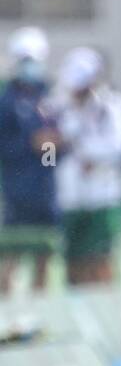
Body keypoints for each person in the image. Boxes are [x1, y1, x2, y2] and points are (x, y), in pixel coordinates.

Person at [53, 47, 121, 287]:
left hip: (102, 194)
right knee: (73, 257)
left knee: (100, 255)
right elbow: (56, 141)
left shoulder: (112, 105)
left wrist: (89, 153)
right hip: (71, 196)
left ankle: (104, 303)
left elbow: (120, 146)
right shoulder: (60, 106)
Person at [0, 27, 59, 296]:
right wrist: (29, 144)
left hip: (46, 191)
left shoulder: (49, 99)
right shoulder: (8, 102)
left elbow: (61, 143)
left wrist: (56, 143)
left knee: (44, 255)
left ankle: (41, 312)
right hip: (17, 192)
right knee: (12, 253)